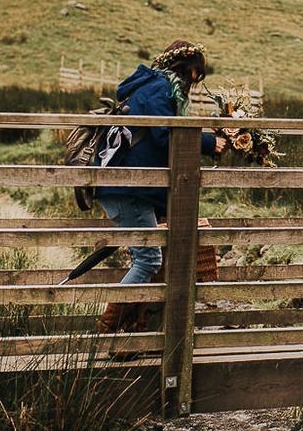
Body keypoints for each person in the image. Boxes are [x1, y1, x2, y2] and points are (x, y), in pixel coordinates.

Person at [94, 40, 226, 332]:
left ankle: (131, 330)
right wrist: (208, 142)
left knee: (147, 258)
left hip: (128, 187)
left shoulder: (153, 85)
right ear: (186, 69)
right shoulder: (160, 89)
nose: (195, 82)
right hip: (128, 189)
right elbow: (166, 135)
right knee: (148, 260)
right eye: (196, 74)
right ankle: (109, 325)